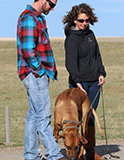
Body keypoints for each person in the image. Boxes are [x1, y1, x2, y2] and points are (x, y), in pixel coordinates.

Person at [17, 0, 65, 160]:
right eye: (52, 4)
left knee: (34, 114)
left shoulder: (38, 18)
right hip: (35, 74)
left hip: (36, 74)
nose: (53, 8)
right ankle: (54, 155)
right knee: (44, 115)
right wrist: (39, 70)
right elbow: (27, 49)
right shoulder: (29, 18)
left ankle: (32, 156)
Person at [63, 3, 106, 160]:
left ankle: (90, 151)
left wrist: (101, 73)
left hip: (95, 82)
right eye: (81, 20)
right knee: (78, 119)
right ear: (75, 20)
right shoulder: (71, 39)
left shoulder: (90, 34)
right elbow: (70, 63)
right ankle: (77, 152)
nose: (84, 23)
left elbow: (97, 55)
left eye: (87, 20)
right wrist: (77, 82)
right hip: (79, 85)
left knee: (91, 118)